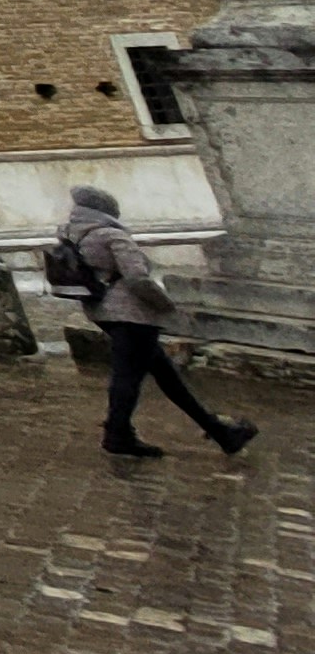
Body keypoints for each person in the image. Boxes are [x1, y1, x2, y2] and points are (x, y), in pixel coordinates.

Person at [57, 184, 257, 460]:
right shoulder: (113, 236)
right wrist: (165, 305)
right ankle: (118, 435)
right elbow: (137, 278)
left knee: (167, 376)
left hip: (103, 311)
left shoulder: (72, 234)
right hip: (133, 315)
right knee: (128, 377)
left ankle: (221, 432)